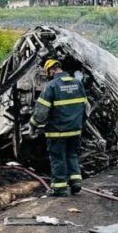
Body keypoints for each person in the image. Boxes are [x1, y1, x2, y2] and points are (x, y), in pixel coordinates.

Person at [28, 59, 86, 197]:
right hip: (75, 130)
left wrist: (33, 125)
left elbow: (41, 112)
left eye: (48, 72)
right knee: (72, 155)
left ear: (51, 70)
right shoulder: (77, 83)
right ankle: (76, 182)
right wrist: (79, 123)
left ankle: (60, 188)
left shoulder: (51, 86)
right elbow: (85, 106)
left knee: (58, 158)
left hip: (57, 131)